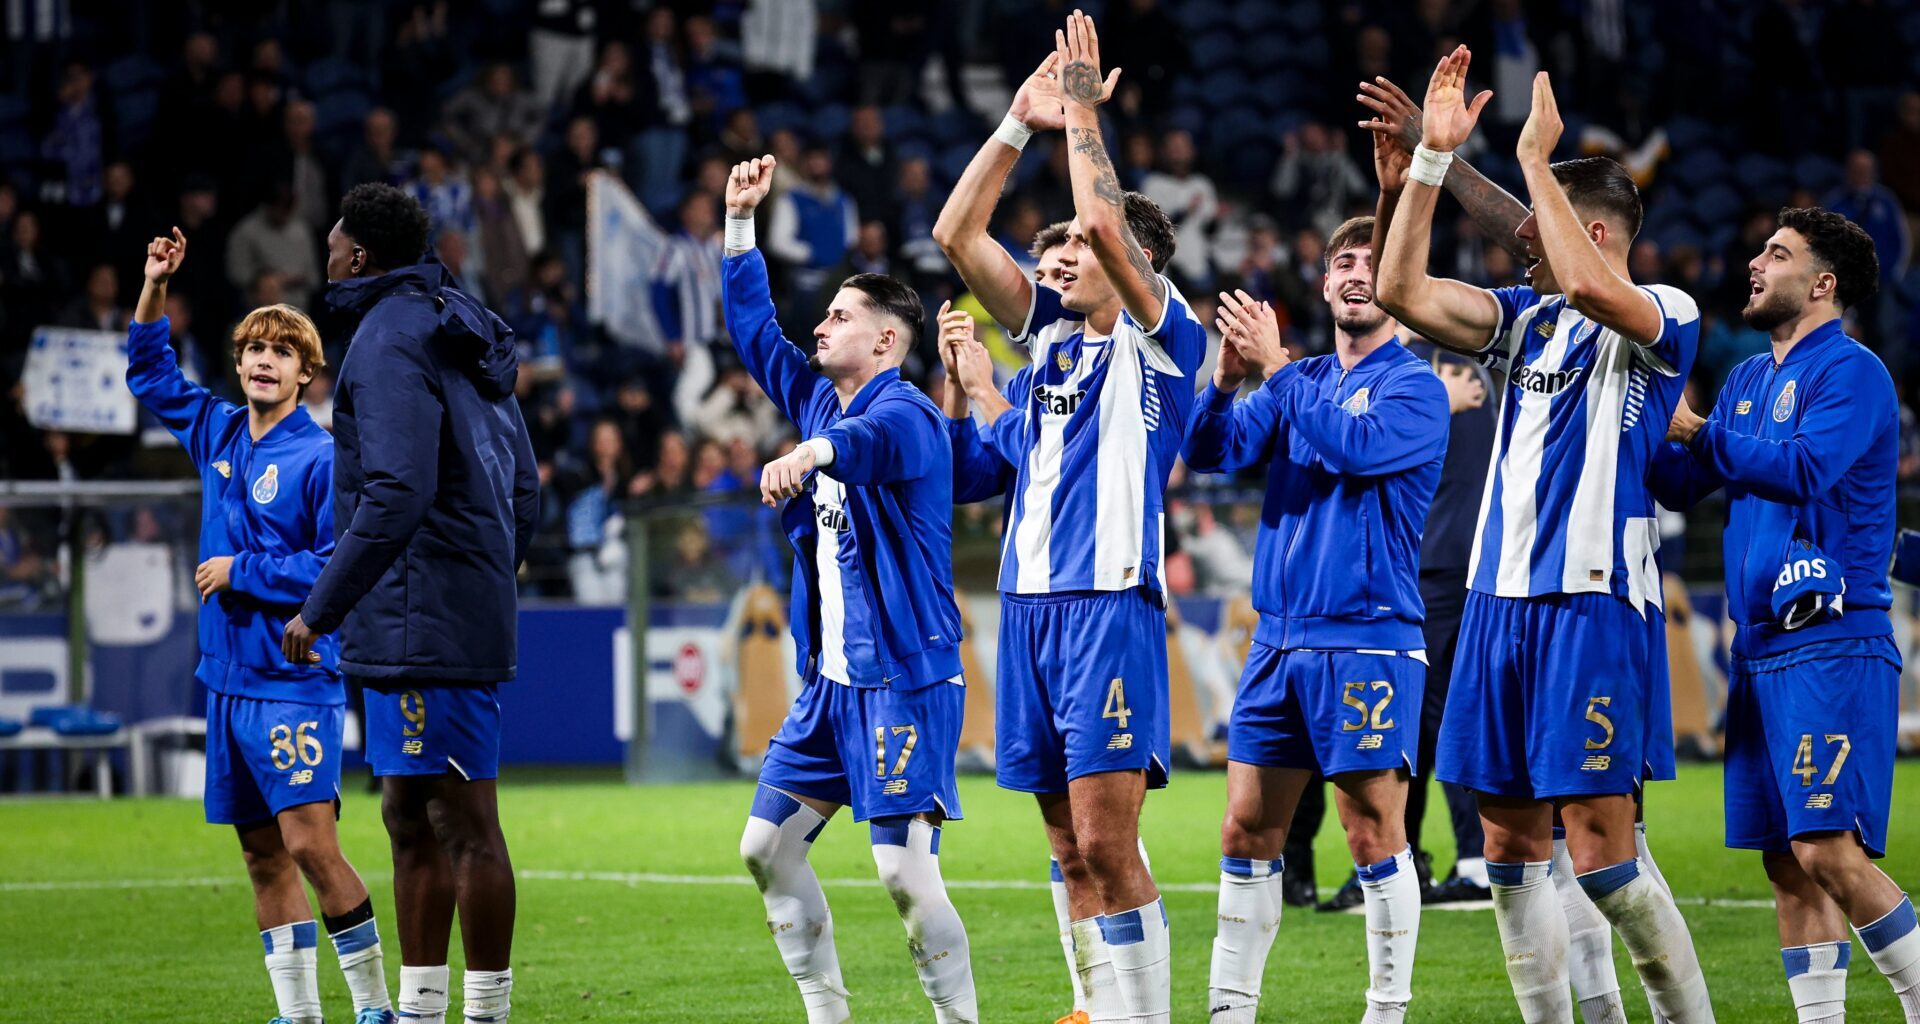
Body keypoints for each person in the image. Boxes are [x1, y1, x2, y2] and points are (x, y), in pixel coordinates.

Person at [1374, 50, 1712, 1023]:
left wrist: (1529, 156)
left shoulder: (1660, 319)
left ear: (1593, 230)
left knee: (1604, 857)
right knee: (1513, 850)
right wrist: (1433, 165)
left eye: (1546, 223)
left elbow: (1580, 272)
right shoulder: (1524, 321)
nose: (1523, 244)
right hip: (1495, 607)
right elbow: (1404, 290)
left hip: (1591, 603)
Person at [932, 14, 1202, 1023]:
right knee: (1060, 840)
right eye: (1049, 259)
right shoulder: (1046, 346)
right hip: (1029, 607)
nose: (1055, 264)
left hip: (1106, 607)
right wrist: (1014, 123)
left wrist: (1082, 111)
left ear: (1134, 264)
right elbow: (955, 236)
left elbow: (1098, 220)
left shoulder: (1159, 342)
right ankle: (1092, 1007)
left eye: (1076, 254)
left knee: (1106, 840)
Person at [722, 154, 978, 1024]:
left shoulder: (906, 414)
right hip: (832, 686)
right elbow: (757, 330)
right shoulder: (820, 401)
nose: (820, 327)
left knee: (903, 871)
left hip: (904, 676)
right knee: (766, 849)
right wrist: (739, 227)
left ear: (886, 342)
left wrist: (808, 453)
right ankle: (829, 1016)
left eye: (840, 317)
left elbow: (868, 446)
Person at [1651, 206, 1920, 1024]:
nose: (1755, 265)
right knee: (1786, 863)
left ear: (1823, 282)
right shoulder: (1745, 381)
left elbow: (1804, 468)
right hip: (1759, 650)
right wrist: (1644, 409)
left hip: (1832, 641)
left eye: (1777, 253)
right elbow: (1679, 483)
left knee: (1825, 848)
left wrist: (1697, 431)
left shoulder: (1854, 372)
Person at [282, 183, 540, 1024]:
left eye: (332, 245)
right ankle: (424, 1011)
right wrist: (497, 564)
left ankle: (482, 1015)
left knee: (458, 818)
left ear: (359, 255)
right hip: (440, 599)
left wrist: (320, 607)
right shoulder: (462, 322)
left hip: (419, 604)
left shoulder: (388, 339)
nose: (325, 258)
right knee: (407, 813)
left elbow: (394, 491)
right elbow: (525, 482)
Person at [1183, 216, 1449, 1024]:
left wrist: (1279, 369)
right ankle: (1231, 1010)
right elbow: (1210, 453)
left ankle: (1386, 1010)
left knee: (1372, 829)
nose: (1356, 273)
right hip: (1277, 640)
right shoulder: (1303, 383)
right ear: (1326, 283)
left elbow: (1358, 450)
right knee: (1244, 829)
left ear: (1399, 282)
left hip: (1366, 637)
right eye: (1342, 261)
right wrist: (1228, 381)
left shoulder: (1417, 387)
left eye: (1372, 261)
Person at [126, 228, 395, 1024]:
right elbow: (147, 369)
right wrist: (154, 285)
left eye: (280, 352)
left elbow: (337, 563)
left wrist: (240, 571)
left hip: (292, 680)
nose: (261, 362)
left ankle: (377, 1008)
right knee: (259, 854)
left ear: (307, 374)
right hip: (225, 680)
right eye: (252, 350)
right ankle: (299, 1013)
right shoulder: (214, 431)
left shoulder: (321, 457)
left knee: (314, 846)